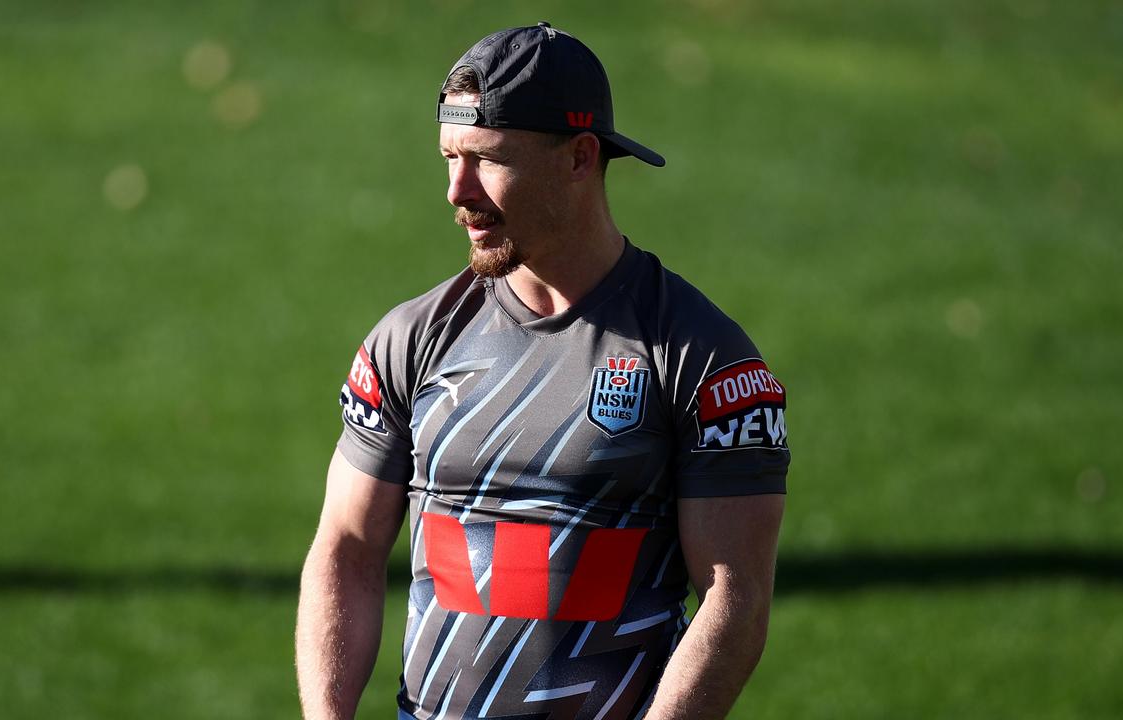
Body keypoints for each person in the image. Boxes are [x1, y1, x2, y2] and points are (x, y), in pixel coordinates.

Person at [296, 22, 788, 720]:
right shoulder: (412, 339)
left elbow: (733, 598)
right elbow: (346, 546)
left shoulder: (700, 358)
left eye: (487, 160)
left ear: (580, 158)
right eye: (448, 157)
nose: (456, 190)